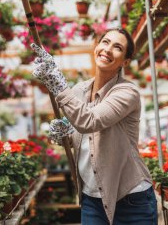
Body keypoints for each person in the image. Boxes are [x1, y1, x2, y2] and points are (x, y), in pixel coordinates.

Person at [31, 27, 157, 225]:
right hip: (91, 199)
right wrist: (66, 134)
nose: (107, 49)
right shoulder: (79, 90)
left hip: (131, 199)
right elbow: (85, 138)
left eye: (117, 47)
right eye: (105, 42)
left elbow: (89, 121)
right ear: (96, 47)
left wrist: (58, 86)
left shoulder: (127, 92)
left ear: (124, 62)